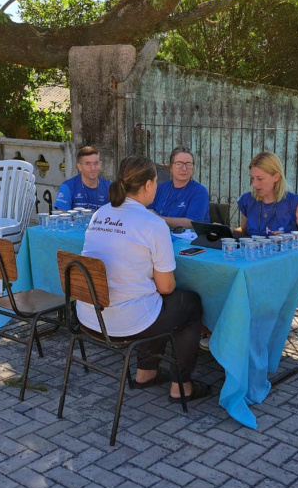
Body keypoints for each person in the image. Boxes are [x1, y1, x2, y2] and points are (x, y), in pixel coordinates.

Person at [78, 155, 211, 403]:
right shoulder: (153, 223)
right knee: (187, 303)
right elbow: (166, 287)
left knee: (150, 301)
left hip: (89, 315)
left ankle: (146, 373)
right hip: (125, 323)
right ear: (149, 185)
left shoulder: (99, 214)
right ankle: (181, 386)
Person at [235, 151, 298, 250]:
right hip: (253, 260)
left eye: (260, 179)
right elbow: (244, 230)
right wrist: (225, 232)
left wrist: (286, 241)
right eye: (252, 179)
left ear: (276, 177)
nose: (254, 184)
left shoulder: (295, 204)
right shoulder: (248, 200)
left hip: (283, 262)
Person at [150, 146, 210, 229]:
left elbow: (192, 223)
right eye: (179, 164)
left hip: (187, 240)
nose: (184, 168)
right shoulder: (162, 188)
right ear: (171, 167)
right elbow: (149, 211)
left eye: (188, 164)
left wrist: (158, 219)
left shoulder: (199, 192)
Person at [54, 146, 112, 211]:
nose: (93, 168)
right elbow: (62, 217)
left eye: (96, 163)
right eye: (88, 164)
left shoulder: (110, 187)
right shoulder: (68, 187)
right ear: (79, 167)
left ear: (100, 164)